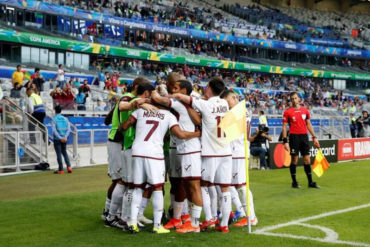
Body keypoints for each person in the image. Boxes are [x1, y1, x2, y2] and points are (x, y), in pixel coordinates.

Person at [121, 90, 201, 234]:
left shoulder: (139, 111)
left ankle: (132, 222)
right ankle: (157, 225)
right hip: (154, 154)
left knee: (138, 187)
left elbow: (124, 127)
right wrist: (197, 133)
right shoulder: (169, 116)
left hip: (137, 151)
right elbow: (180, 134)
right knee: (157, 188)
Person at [173, 77, 233, 233]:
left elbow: (181, 97)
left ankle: (208, 219)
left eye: (206, 87)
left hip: (211, 153)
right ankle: (224, 224)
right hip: (226, 152)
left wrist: (173, 95)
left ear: (209, 88)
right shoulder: (225, 104)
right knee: (225, 188)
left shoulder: (205, 105)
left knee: (204, 186)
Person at [151, 79, 203, 233]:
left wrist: (156, 90)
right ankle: (187, 219)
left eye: (176, 89)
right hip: (186, 149)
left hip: (190, 149)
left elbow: (158, 99)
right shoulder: (188, 104)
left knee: (194, 186)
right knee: (187, 185)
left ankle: (194, 224)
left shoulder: (180, 104)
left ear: (184, 92)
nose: (174, 92)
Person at [220, 89, 258, 227]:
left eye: (227, 101)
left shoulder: (238, 112)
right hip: (237, 151)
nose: (226, 104)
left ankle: (251, 216)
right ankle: (242, 212)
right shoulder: (242, 111)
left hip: (238, 151)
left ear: (234, 97)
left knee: (240, 185)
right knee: (229, 184)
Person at [282, 92, 320, 189]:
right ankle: (294, 182)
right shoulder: (287, 112)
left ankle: (310, 182)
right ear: (291, 100)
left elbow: (308, 124)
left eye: (295, 98)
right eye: (292, 99)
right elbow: (284, 126)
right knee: (294, 160)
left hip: (304, 137)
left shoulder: (305, 110)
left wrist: (314, 137)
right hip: (294, 137)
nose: (294, 100)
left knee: (307, 159)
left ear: (299, 99)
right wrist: (285, 141)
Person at [52, 105, 72, 174]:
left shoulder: (54, 119)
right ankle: (69, 167)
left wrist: (60, 138)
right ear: (61, 111)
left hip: (57, 139)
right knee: (64, 152)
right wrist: (65, 137)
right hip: (64, 138)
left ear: (55, 111)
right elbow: (69, 129)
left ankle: (61, 170)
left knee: (59, 154)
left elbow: (54, 131)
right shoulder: (65, 119)